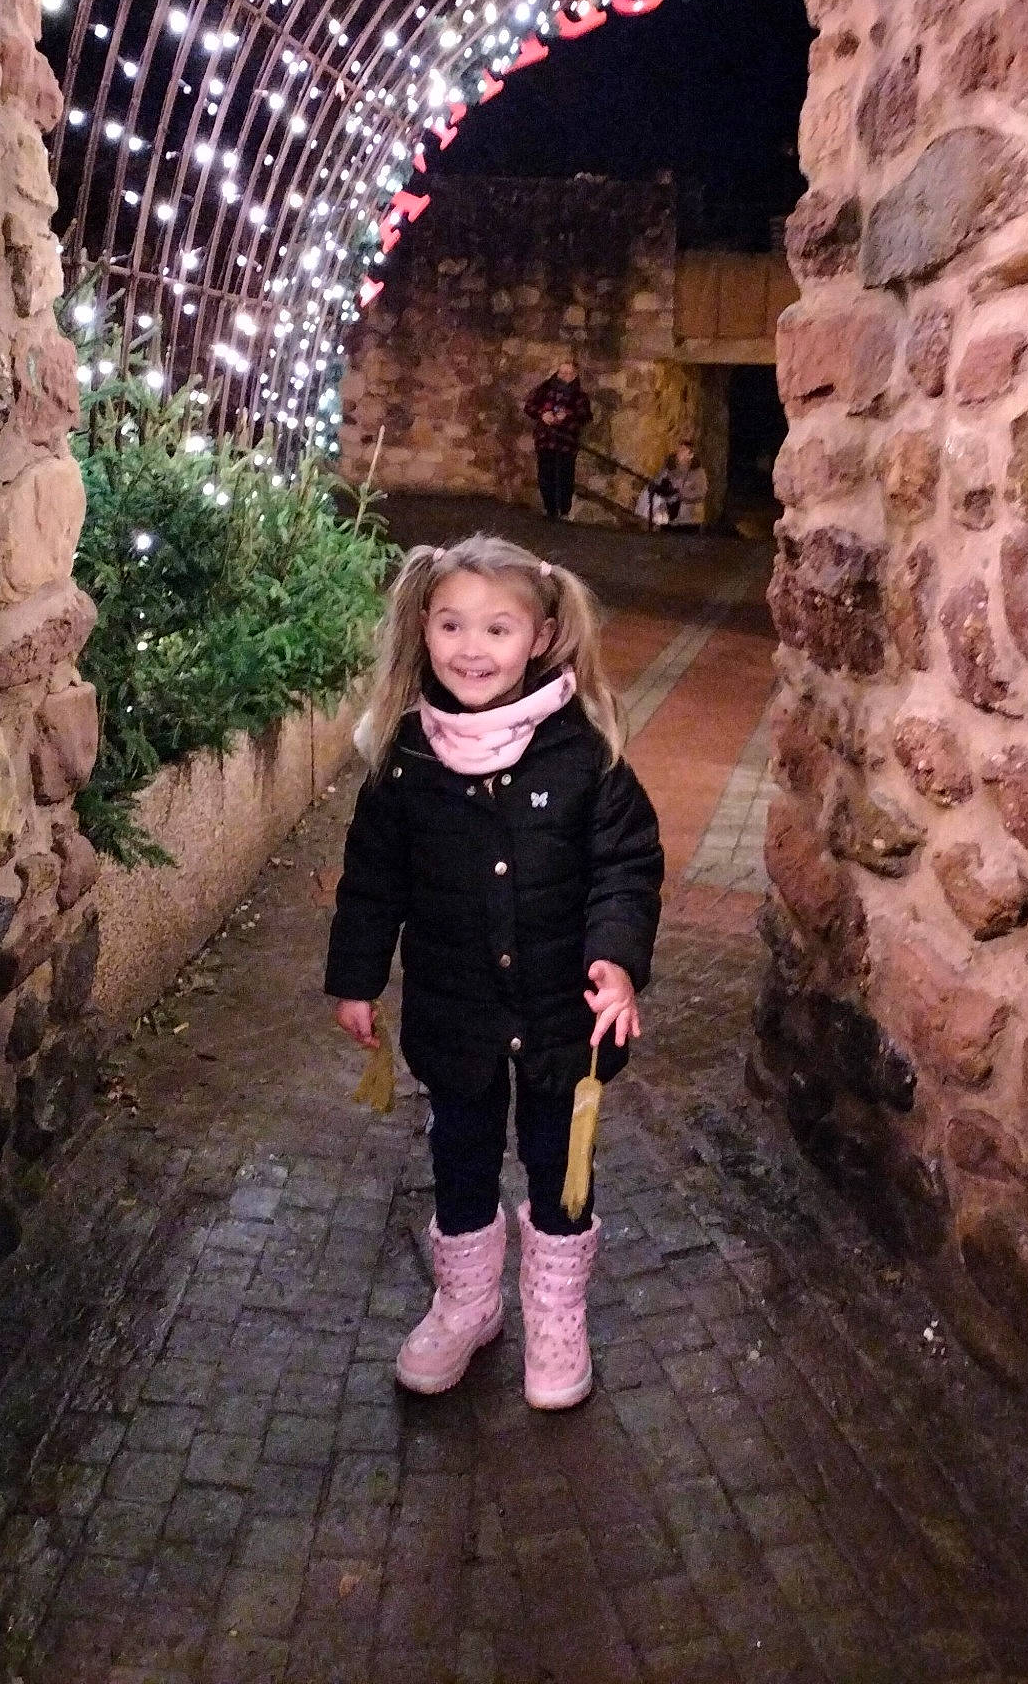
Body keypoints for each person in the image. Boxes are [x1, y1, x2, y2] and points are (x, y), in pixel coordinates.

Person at [326, 535, 663, 1409]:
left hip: (562, 1011)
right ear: (423, 629)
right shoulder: (405, 756)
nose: (471, 649)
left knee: (560, 1163)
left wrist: (616, 961)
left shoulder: (585, 752)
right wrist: (357, 978)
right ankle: (467, 1302)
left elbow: (626, 865)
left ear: (542, 636)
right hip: (456, 1003)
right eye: (452, 625)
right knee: (461, 1153)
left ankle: (556, 1313)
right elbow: (374, 878)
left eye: (498, 629)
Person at [523, 356, 592, 520]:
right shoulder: (544, 389)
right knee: (545, 475)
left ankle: (564, 511)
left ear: (575, 375)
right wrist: (543, 414)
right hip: (546, 439)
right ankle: (550, 509)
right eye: (563, 372)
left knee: (565, 476)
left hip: (566, 442)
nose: (565, 376)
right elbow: (530, 406)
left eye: (569, 373)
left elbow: (585, 415)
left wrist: (567, 416)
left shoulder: (580, 396)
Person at [652, 439, 707, 530]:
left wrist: (680, 494)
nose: (679, 452)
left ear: (690, 455)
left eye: (683, 450)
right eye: (679, 449)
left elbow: (701, 493)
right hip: (669, 517)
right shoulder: (669, 469)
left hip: (690, 519)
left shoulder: (698, 473)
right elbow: (657, 483)